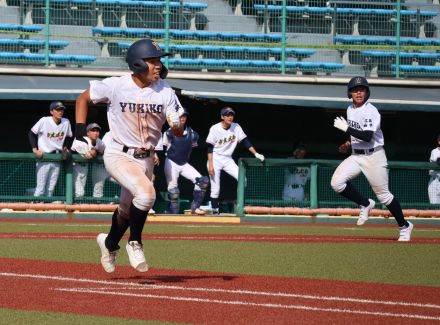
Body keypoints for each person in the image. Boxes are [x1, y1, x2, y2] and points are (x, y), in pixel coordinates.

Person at [74, 38, 184, 273]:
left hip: (146, 157)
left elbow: (179, 128)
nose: (158, 65)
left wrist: (176, 126)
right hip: (118, 153)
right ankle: (135, 242)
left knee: (127, 209)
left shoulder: (166, 91)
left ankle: (109, 243)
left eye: (159, 61)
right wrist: (79, 134)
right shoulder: (116, 85)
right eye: (152, 61)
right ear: (137, 64)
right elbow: (83, 98)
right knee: (146, 195)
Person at [331, 76, 413, 241]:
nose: (358, 92)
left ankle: (404, 226)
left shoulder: (371, 110)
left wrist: (347, 128)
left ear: (367, 92)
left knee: (384, 196)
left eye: (362, 89)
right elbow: (357, 133)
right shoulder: (350, 109)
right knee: (336, 183)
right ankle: (365, 203)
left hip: (374, 156)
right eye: (355, 90)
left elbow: (368, 136)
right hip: (356, 155)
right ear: (350, 93)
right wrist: (348, 143)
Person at [206, 106, 265, 215]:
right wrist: (210, 165)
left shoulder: (236, 127)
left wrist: (255, 153)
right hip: (215, 158)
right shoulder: (215, 128)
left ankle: (240, 204)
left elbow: (245, 141)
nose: (230, 117)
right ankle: (215, 210)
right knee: (216, 188)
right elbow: (209, 148)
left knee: (243, 179)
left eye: (231, 115)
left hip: (228, 158)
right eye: (227, 115)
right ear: (222, 116)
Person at [163, 109, 209, 215]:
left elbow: (192, 147)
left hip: (183, 163)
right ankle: (171, 212)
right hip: (171, 163)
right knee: (174, 192)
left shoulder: (192, 134)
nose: (183, 118)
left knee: (203, 181)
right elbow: (164, 147)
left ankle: (195, 207)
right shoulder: (169, 132)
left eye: (184, 116)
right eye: (180, 116)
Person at [28, 101, 72, 198]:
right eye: (58, 110)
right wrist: (35, 149)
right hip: (44, 157)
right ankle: (36, 209)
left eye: (62, 109)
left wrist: (65, 147)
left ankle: (45, 209)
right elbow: (31, 133)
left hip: (57, 158)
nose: (60, 112)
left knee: (50, 189)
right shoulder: (44, 120)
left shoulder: (66, 122)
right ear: (51, 111)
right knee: (41, 188)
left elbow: (69, 136)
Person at [71, 123, 108, 199]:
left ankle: (77, 207)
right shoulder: (81, 140)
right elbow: (88, 156)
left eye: (97, 131)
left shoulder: (99, 142)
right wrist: (94, 152)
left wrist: (96, 152)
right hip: (74, 167)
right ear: (88, 133)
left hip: (85, 167)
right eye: (93, 131)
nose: (96, 133)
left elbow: (104, 151)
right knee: (79, 192)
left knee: (80, 191)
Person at [428, 134, 440, 204]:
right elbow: (438, 160)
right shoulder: (434, 151)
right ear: (439, 142)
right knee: (435, 210)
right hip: (435, 182)